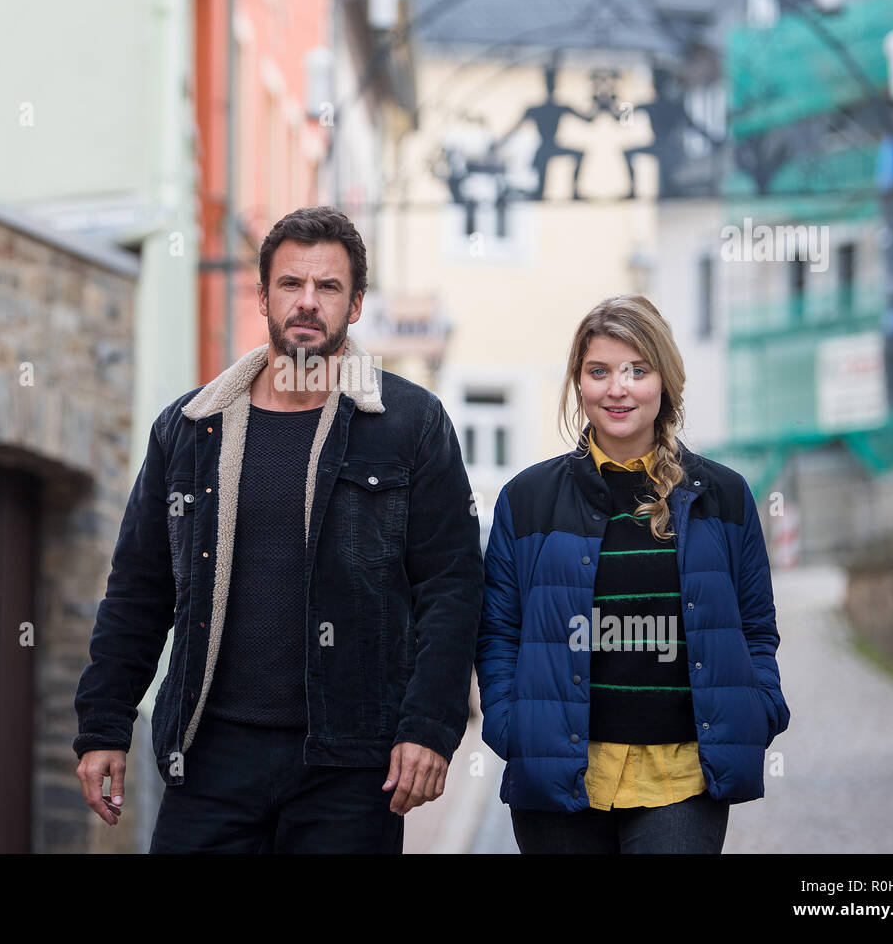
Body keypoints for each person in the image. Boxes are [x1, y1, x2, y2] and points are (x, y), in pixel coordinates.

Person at [73, 205, 483, 853]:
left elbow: (451, 589)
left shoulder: (410, 424)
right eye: (291, 284)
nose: (308, 303)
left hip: (350, 764)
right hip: (208, 756)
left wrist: (429, 728)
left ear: (355, 305)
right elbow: (138, 590)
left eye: (328, 287)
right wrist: (103, 726)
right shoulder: (188, 429)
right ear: (263, 295)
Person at [476, 294, 790, 854]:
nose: (616, 389)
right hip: (558, 777)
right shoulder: (526, 500)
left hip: (685, 778)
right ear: (578, 383)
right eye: (598, 371)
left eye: (635, 371)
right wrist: (509, 725)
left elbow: (756, 627)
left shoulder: (722, 496)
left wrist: (761, 705)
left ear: (664, 380)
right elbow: (498, 632)